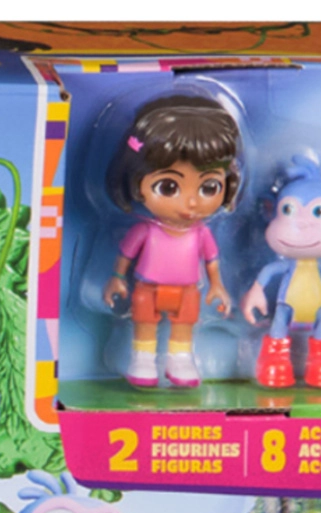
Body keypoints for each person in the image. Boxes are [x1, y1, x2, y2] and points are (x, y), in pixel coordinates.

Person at [103, 94, 243, 388]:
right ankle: (142, 359)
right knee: (144, 323)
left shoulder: (200, 233)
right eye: (169, 186)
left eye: (208, 187)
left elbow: (211, 260)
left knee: (184, 326)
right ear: (137, 183)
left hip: (188, 290)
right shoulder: (145, 230)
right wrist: (117, 278)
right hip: (147, 287)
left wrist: (217, 286)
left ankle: (180, 360)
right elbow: (125, 256)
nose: (190, 203)